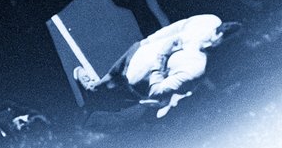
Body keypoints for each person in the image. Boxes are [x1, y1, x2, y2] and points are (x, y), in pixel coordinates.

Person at [75, 13, 234, 116]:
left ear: (220, 42)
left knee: (114, 91)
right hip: (142, 52)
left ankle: (95, 105)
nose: (211, 36)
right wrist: (147, 41)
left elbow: (157, 90)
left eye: (218, 39)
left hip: (140, 78)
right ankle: (95, 92)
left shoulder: (197, 66)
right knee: (111, 76)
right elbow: (176, 28)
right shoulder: (209, 21)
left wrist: (162, 58)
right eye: (216, 32)